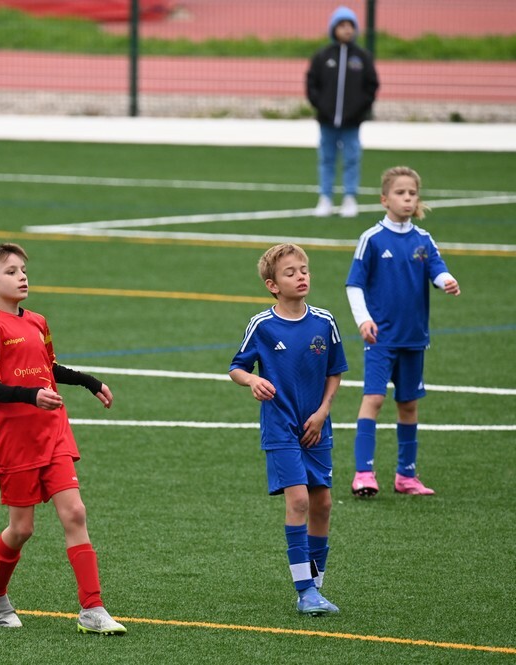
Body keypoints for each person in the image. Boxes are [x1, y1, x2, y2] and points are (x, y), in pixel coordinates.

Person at [0, 242, 126, 636]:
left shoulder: (37, 321)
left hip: (53, 432)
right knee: (22, 529)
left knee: (75, 513)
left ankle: (92, 608)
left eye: (23, 270)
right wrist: (31, 396)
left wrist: (90, 382)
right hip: (15, 442)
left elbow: (48, 366)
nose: (22, 277)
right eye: (11, 272)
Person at [229, 243, 347, 616]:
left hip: (317, 427)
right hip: (280, 426)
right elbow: (236, 367)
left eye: (304, 270)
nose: (301, 277)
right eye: (290, 273)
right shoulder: (262, 325)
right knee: (298, 501)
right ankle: (305, 591)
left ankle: (315, 585)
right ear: (272, 285)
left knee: (323, 503)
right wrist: (252, 381)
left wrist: (323, 412)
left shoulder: (324, 322)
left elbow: (335, 371)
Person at [346, 166, 461, 498]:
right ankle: (364, 473)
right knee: (374, 399)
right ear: (385, 199)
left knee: (408, 404)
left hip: (414, 338)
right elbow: (354, 285)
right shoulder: (371, 239)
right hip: (381, 338)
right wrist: (363, 320)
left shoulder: (423, 240)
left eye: (412, 193)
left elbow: (437, 268)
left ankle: (406, 476)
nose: (407, 198)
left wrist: (446, 281)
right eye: (400, 193)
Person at [306, 6, 380, 219]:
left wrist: (358, 110)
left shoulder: (362, 57)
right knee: (326, 159)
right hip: (327, 121)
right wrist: (321, 106)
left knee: (351, 159)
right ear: (334, 28)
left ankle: (349, 198)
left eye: (350, 26)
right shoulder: (323, 56)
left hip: (352, 122)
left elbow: (371, 86)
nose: (347, 30)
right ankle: (325, 198)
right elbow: (312, 83)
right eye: (342, 25)